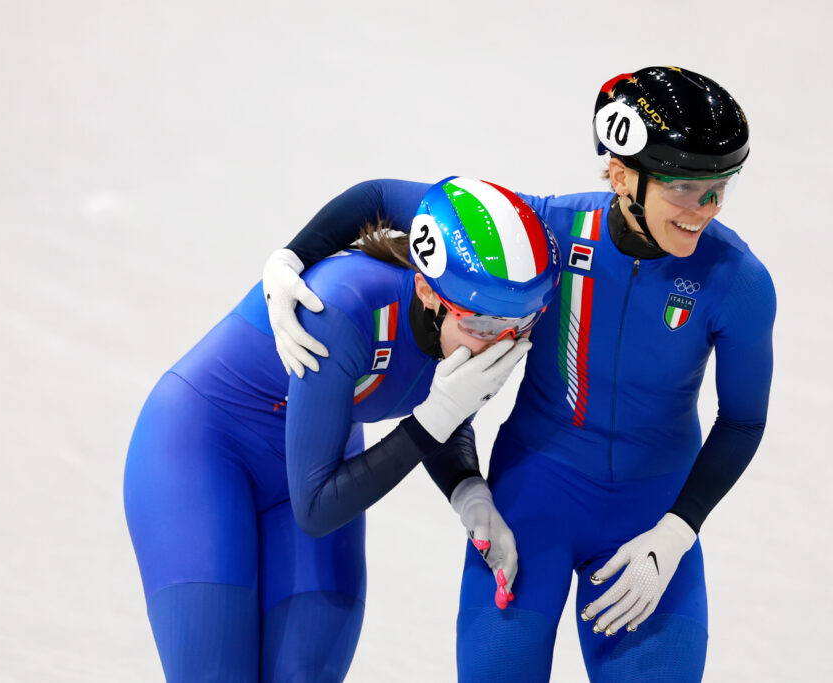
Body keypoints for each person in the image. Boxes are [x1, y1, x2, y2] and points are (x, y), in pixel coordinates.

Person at [263, 66, 775, 682]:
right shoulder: (547, 231)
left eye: (719, 189)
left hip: (653, 513)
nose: (705, 211)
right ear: (621, 175)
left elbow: (742, 421)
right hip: (534, 499)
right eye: (686, 189)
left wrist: (678, 530)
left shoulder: (738, 281)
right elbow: (378, 198)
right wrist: (290, 258)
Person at [123, 177, 561, 682]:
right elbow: (317, 508)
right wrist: (291, 257)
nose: (501, 344)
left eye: (521, 326)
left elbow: (442, 403)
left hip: (317, 455)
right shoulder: (342, 308)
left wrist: (467, 489)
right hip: (200, 452)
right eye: (485, 327)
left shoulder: (474, 299)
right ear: (428, 290)